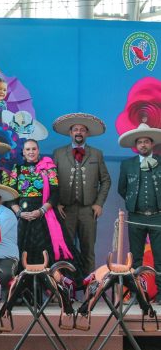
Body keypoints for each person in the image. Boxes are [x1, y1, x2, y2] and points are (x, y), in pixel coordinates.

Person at [52, 113, 111, 276]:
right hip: (66, 211)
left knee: (88, 251)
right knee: (65, 251)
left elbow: (106, 180)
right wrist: (56, 203)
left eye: (83, 130)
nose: (79, 132)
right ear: (70, 133)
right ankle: (67, 291)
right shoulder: (58, 153)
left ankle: (89, 292)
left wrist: (99, 203)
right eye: (75, 129)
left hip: (88, 211)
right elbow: (51, 181)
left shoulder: (96, 154)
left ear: (87, 133)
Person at [9, 139, 77, 267]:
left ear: (38, 150)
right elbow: (10, 195)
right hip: (23, 217)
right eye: (28, 149)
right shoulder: (17, 169)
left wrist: (41, 211)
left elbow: (55, 193)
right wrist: (19, 213)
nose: (31, 152)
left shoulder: (48, 168)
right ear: (23, 152)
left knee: (49, 251)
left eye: (34, 149)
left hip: (45, 213)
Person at [118, 123, 161, 297]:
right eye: (140, 142)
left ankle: (160, 295)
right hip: (136, 217)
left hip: (158, 217)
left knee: (160, 258)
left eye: (146, 141)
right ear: (136, 146)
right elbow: (122, 189)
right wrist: (132, 203)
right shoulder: (127, 164)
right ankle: (137, 294)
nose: (143, 144)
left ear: (152, 144)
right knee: (135, 258)